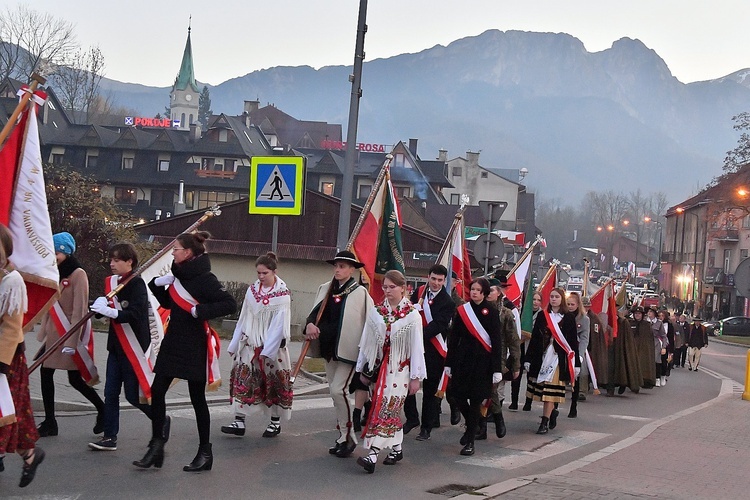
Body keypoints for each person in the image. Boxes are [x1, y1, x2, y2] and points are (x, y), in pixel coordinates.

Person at [134, 231, 236, 472]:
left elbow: (229, 304)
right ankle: (157, 444)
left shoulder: (205, 278)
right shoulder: (177, 275)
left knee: (197, 398)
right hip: (174, 341)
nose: (173, 252)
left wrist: (199, 312)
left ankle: (205, 452)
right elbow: (169, 303)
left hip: (194, 344)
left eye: (176, 249)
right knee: (157, 391)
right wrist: (156, 286)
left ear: (188, 252)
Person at [88, 243, 157, 451]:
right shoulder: (112, 282)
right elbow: (107, 308)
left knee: (132, 396)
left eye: (117, 260)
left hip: (132, 345)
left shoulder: (136, 284)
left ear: (130, 262)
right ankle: (110, 437)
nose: (112, 264)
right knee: (110, 392)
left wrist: (111, 313)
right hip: (116, 346)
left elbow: (135, 314)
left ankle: (160, 419)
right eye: (111, 260)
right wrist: (98, 308)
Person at [355, 270, 425, 473]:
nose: (387, 291)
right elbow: (366, 341)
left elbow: (417, 348)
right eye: (385, 287)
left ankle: (373, 454)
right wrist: (363, 368)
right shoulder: (376, 312)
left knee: (386, 409)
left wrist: (416, 377)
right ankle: (396, 449)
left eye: (391, 287)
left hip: (400, 371)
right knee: (385, 409)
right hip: (379, 370)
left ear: (403, 288)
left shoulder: (412, 315)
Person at [304, 251, 373, 458]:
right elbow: (314, 314)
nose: (338, 270)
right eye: (336, 266)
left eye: (343, 266)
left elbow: (370, 323)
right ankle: (343, 436)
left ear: (352, 270)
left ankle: (350, 436)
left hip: (349, 351)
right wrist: (309, 324)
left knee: (338, 390)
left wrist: (368, 354)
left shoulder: (360, 293)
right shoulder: (326, 289)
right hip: (328, 350)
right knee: (335, 394)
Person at [37, 232, 104, 438]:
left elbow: (80, 310)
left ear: (65, 251)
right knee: (46, 372)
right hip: (54, 334)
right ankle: (50, 421)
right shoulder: (56, 272)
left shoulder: (78, 274)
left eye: (56, 252)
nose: (53, 256)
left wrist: (72, 341)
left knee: (75, 379)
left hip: (67, 334)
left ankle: (103, 410)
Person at [223, 252, 292, 438]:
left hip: (272, 348)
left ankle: (275, 422)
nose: (261, 277)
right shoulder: (252, 291)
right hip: (250, 343)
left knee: (273, 383)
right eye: (258, 273)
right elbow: (244, 317)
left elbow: (279, 326)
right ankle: (239, 420)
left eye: (265, 273)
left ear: (274, 272)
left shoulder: (282, 295)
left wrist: (267, 350)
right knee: (243, 378)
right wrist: (234, 344)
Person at [0, 223, 45, 487]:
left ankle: (25, 454)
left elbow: (11, 326)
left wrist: (2, 364)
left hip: (6, 358)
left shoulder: (11, 281)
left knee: (7, 411)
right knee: (14, 413)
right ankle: (29, 454)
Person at [444, 278, 503, 456]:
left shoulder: (491, 312)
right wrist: (449, 362)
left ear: (484, 292)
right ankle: (473, 423)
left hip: (482, 363)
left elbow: (496, 342)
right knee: (457, 396)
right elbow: (454, 339)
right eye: (472, 289)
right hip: (463, 361)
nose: (474, 292)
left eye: (478, 290)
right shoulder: (463, 311)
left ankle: (470, 441)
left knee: (476, 400)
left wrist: (497, 369)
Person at [404, 264, 455, 441]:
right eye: (433, 278)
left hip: (433, 351)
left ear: (444, 281)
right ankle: (411, 418)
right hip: (414, 349)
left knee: (429, 392)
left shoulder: (448, 302)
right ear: (428, 277)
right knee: (408, 385)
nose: (436, 283)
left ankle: (426, 427)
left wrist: (418, 333)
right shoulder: (419, 294)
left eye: (440, 280)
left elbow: (440, 325)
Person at [524, 287, 579, 435]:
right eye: (552, 296)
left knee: (550, 389)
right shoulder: (543, 315)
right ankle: (552, 412)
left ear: (562, 300)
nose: (554, 299)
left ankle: (544, 422)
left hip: (558, 359)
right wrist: (528, 358)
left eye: (556, 297)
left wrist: (577, 364)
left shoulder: (568, 318)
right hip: (542, 357)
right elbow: (535, 338)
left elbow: (573, 341)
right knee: (542, 391)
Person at [484, 279, 518, 439]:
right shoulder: (477, 311)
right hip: (478, 357)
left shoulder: (506, 314)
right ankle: (480, 427)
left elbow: (513, 341)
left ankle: (498, 418)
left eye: (491, 290)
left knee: (492, 391)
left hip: (498, 359)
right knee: (477, 392)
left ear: (499, 292)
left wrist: (516, 365)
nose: (488, 293)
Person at [566, 292, 589, 418]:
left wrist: (579, 355)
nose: (570, 306)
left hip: (577, 350)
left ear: (577, 305)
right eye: (568, 304)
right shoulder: (563, 315)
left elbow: (585, 338)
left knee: (576, 378)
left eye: (572, 304)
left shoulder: (584, 319)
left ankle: (573, 405)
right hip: (564, 348)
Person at [519, 291, 543, 411]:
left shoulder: (542, 315)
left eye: (539, 300)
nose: (536, 302)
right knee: (516, 374)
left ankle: (528, 401)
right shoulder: (523, 313)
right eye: (534, 299)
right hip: (521, 345)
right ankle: (514, 400)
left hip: (533, 348)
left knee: (531, 376)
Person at [631, 306, 656, 388]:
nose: (637, 315)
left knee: (643, 366)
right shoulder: (630, 323)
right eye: (636, 313)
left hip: (643, 350)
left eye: (639, 313)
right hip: (632, 348)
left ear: (642, 315)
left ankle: (644, 381)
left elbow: (649, 339)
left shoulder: (647, 325)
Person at [647, 307, 667, 387]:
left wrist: (664, 347)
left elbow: (664, 336)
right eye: (648, 311)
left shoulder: (659, 323)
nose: (649, 313)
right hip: (646, 343)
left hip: (656, 343)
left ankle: (657, 378)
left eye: (651, 312)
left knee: (656, 360)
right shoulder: (645, 321)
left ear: (654, 314)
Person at [657, 310, 674, 385]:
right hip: (657, 345)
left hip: (665, 345)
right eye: (659, 316)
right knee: (657, 362)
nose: (661, 317)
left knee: (664, 362)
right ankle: (657, 378)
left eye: (662, 316)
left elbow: (671, 338)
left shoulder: (669, 325)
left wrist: (671, 350)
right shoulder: (655, 324)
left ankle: (663, 376)